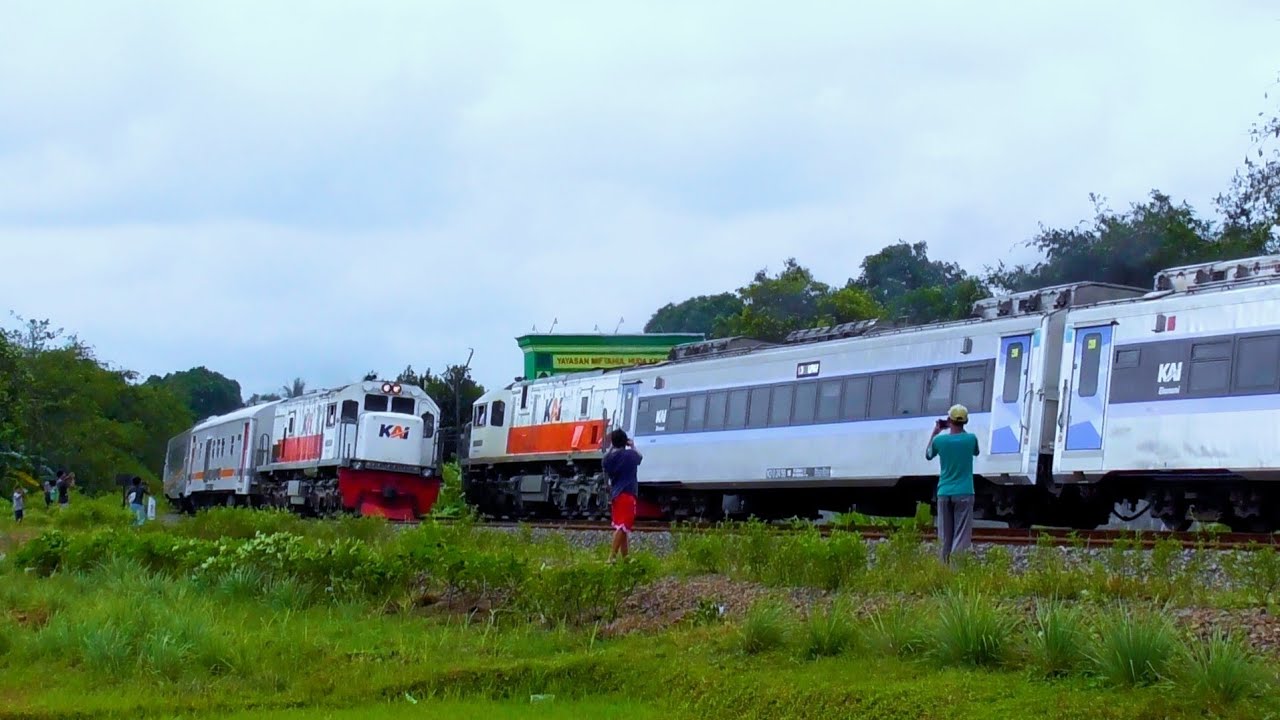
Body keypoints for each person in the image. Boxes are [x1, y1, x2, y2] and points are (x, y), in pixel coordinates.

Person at [926, 404, 980, 564]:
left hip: (944, 492)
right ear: (966, 421)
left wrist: (935, 432)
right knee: (961, 535)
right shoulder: (971, 439)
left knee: (944, 535)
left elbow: (928, 454)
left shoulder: (939, 440)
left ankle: (944, 567)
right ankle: (956, 569)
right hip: (965, 491)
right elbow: (976, 452)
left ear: (949, 421)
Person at [602, 429, 642, 563]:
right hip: (628, 493)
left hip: (616, 495)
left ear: (613, 443)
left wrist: (611, 447)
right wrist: (632, 445)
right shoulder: (630, 455)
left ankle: (626, 558)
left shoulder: (608, 459)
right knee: (624, 525)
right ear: (625, 441)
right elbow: (640, 457)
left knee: (622, 526)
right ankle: (611, 557)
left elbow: (604, 459)